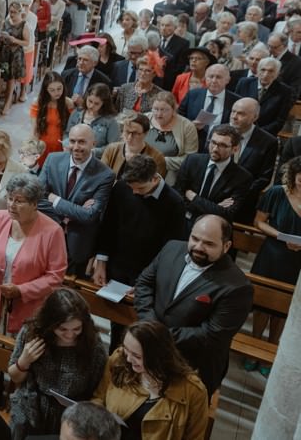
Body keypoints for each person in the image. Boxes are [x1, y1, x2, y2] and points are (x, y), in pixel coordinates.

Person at [133, 215, 253, 395]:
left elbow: (212, 334)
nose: (198, 247)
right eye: (195, 238)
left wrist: (158, 334)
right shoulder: (171, 248)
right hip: (151, 351)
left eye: (209, 244)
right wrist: (148, 321)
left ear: (226, 246)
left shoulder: (238, 287)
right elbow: (144, 284)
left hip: (191, 365)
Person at [94, 154, 185, 349]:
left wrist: (149, 280)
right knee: (117, 323)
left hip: (148, 272)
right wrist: (101, 260)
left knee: (139, 330)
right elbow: (109, 225)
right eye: (131, 187)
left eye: (140, 188)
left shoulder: (174, 202)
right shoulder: (122, 187)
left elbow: (171, 251)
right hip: (118, 266)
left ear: (155, 178)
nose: (134, 193)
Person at [7, 289, 107, 439]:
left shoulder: (92, 344)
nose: (69, 335)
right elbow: (15, 378)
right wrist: (24, 361)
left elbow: (97, 390)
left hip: (71, 414)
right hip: (31, 406)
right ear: (50, 323)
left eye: (76, 329)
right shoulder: (32, 332)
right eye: (62, 329)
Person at [92, 321, 208, 440]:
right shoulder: (119, 359)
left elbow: (195, 437)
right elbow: (98, 398)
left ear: (158, 357)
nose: (128, 358)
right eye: (126, 349)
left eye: (137, 356)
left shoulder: (193, 391)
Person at [0, 174, 67, 334]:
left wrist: (21, 290)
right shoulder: (0, 218)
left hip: (28, 309)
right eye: (10, 198)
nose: (11, 205)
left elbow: (55, 276)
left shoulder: (53, 231)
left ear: (34, 204)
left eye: (19, 201)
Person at [247, 156, 301, 375]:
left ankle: (271, 353)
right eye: (300, 177)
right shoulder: (277, 192)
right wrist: (279, 235)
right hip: (272, 254)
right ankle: (254, 346)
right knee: (262, 304)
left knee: (284, 308)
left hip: (297, 262)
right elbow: (258, 222)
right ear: (294, 174)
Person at [38, 124, 115, 276]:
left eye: (82, 142)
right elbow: (36, 198)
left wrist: (54, 199)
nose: (75, 147)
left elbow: (90, 216)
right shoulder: (53, 159)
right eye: (72, 141)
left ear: (94, 143)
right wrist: (73, 212)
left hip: (77, 245)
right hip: (45, 236)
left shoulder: (105, 175)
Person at [172, 124, 253, 229]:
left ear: (235, 149)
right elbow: (177, 196)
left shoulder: (243, 177)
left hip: (214, 228)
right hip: (183, 222)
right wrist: (215, 207)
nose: (215, 149)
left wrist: (194, 198)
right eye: (213, 142)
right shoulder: (192, 161)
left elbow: (227, 214)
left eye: (222, 145)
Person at [177, 63, 239, 152]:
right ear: (205, 78)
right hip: (191, 145)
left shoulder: (235, 101)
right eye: (210, 76)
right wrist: (191, 125)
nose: (214, 80)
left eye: (218, 77)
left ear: (227, 80)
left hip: (220, 149)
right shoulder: (193, 94)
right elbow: (179, 118)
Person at [147, 92, 199, 184]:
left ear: (174, 109)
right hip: (141, 170)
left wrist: (161, 161)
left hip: (170, 176)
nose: (159, 114)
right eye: (155, 109)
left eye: (164, 110)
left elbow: (191, 158)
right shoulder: (144, 119)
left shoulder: (187, 126)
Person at [234, 56, 294, 134]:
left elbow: (279, 121)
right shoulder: (244, 83)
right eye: (263, 70)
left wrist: (256, 133)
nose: (266, 74)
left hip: (264, 134)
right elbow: (233, 108)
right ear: (257, 70)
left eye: (271, 71)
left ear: (277, 74)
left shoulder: (284, 91)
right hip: (240, 129)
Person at [99, 113, 166, 177]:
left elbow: (155, 185)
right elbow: (101, 176)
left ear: (145, 133)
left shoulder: (157, 157)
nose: (129, 137)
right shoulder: (111, 149)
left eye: (135, 133)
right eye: (127, 132)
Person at [63, 83, 120, 157]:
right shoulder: (77, 113)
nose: (91, 106)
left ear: (104, 104)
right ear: (86, 97)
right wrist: (67, 144)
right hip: (73, 156)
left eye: (96, 104)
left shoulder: (110, 121)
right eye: (90, 101)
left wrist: (93, 152)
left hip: (96, 160)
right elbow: (67, 133)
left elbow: (113, 146)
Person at [30, 72, 73, 168]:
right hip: (43, 145)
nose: (57, 93)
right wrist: (33, 147)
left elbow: (72, 127)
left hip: (61, 146)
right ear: (46, 90)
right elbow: (34, 129)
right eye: (52, 90)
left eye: (59, 88)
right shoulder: (38, 102)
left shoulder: (68, 103)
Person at [0, 2, 30, 112]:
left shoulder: (24, 25)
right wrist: (1, 38)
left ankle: (7, 103)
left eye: (14, 12)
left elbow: (26, 42)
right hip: (5, 52)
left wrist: (14, 40)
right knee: (2, 77)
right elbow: (0, 36)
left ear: (20, 12)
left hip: (15, 54)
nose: (11, 14)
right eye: (10, 12)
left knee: (11, 79)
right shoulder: (5, 23)